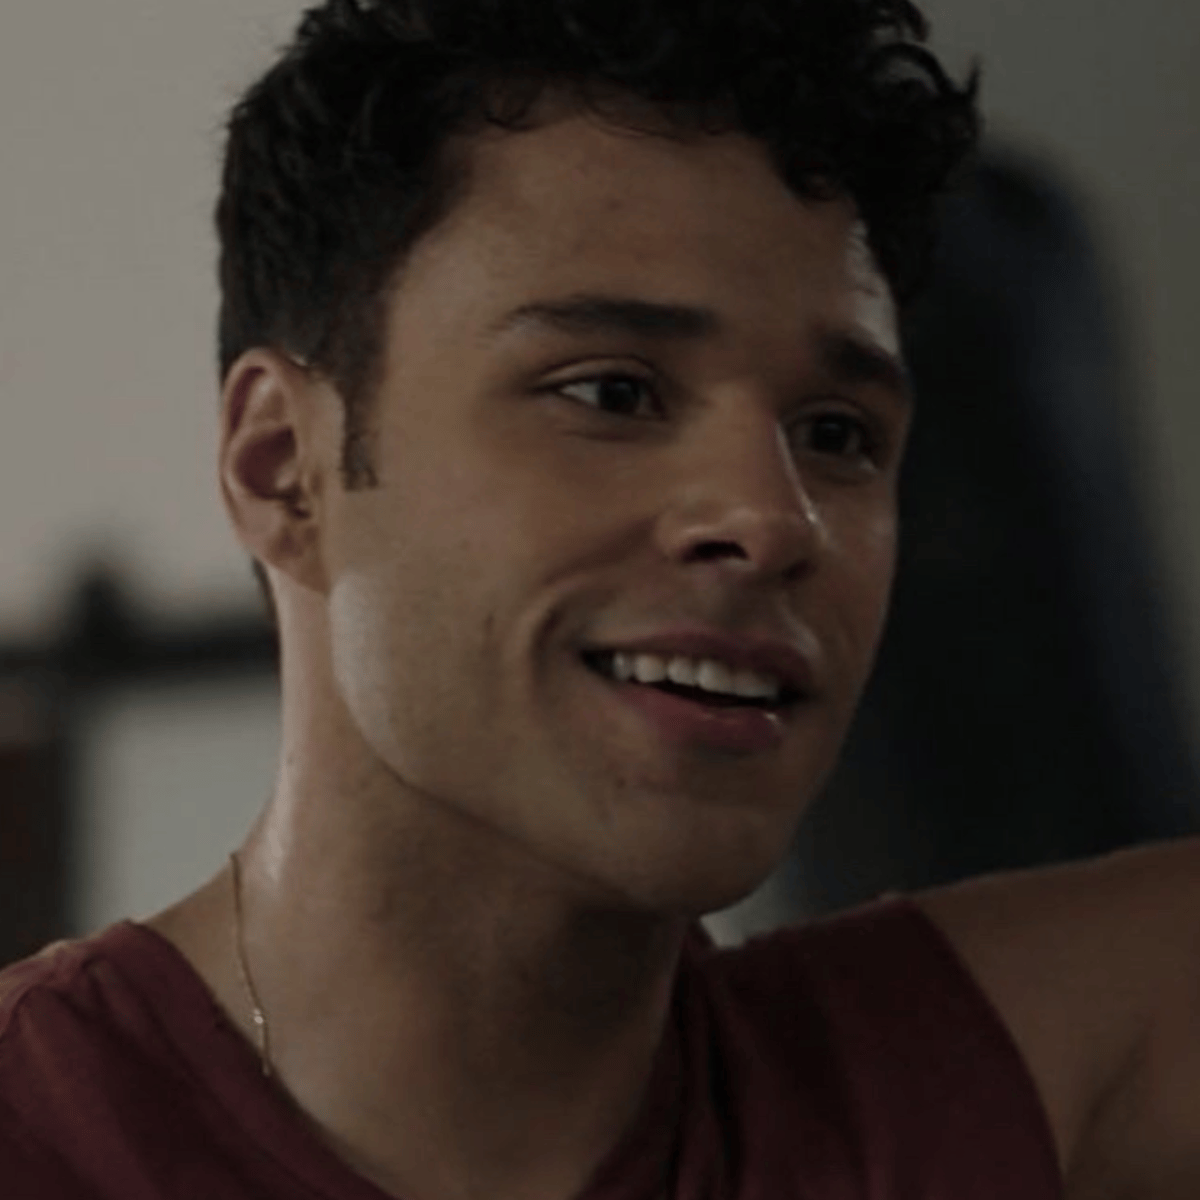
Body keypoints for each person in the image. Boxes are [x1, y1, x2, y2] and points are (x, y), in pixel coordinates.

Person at [2, 0, 1197, 1196]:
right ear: (284, 472)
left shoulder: (942, 1086)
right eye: (612, 393)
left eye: (836, 433)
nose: (776, 518)